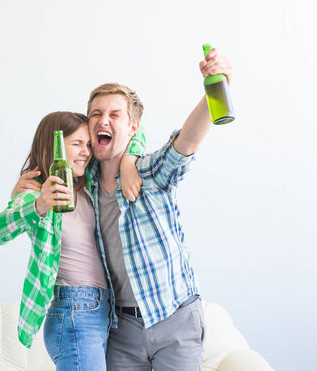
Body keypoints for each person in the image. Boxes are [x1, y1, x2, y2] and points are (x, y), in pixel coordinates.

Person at [14, 48, 234, 370]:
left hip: (174, 317)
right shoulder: (79, 183)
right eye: (95, 114)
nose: (103, 120)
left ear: (133, 128)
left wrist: (212, 90)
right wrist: (22, 190)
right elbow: (47, 166)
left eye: (114, 115)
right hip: (122, 328)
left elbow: (186, 142)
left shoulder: (149, 174)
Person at [0, 111, 145, 371]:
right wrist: (37, 205)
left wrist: (127, 163)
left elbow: (135, 135)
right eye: (77, 144)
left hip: (104, 310)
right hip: (74, 310)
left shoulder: (87, 185)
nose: (86, 152)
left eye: (88, 145)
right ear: (54, 145)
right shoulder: (35, 194)